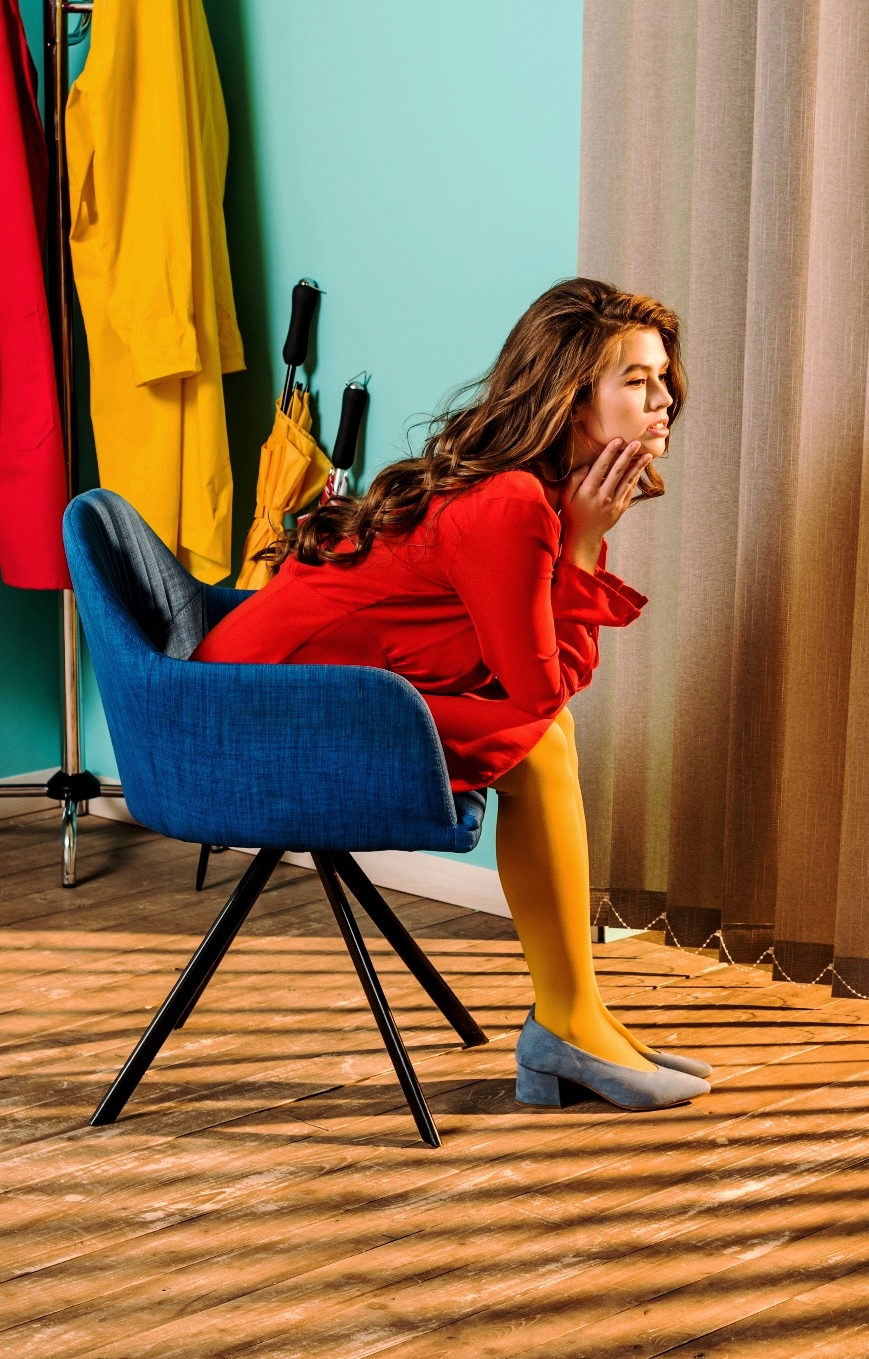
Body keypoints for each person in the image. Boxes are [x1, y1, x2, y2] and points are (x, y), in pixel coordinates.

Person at [193, 278, 711, 1110]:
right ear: (572, 397)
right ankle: (568, 1023)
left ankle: (577, 1018)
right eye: (638, 381)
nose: (665, 401)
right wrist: (582, 546)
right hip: (253, 716)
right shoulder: (515, 505)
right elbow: (540, 686)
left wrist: (575, 539)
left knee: (548, 738)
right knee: (542, 736)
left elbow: (536, 679)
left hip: (311, 692)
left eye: (663, 379)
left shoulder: (529, 489)